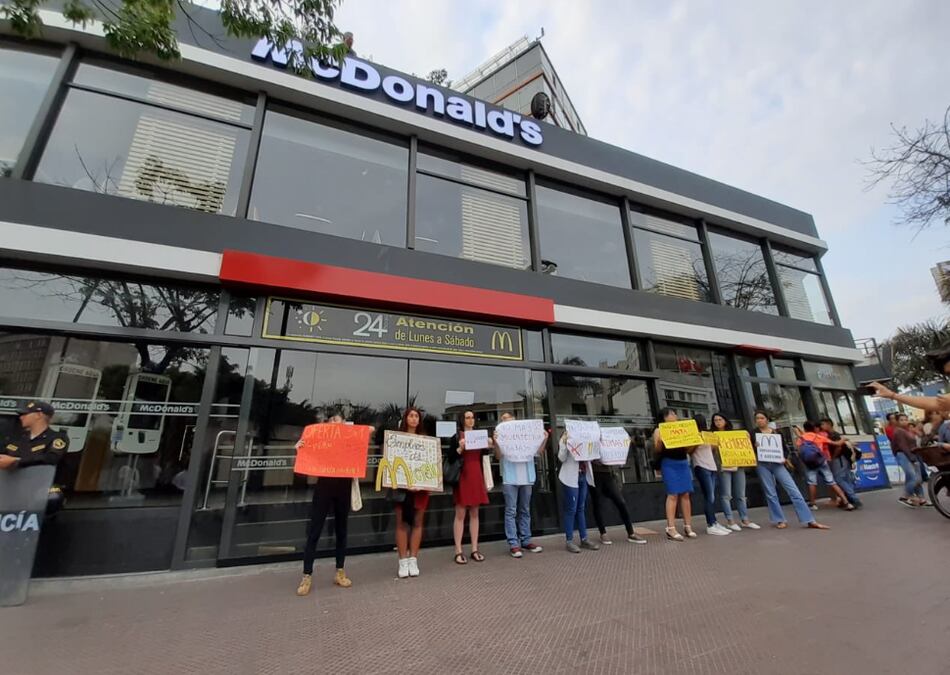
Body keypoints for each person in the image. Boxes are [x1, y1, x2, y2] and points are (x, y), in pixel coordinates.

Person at [296, 413, 354, 597]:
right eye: (332, 420)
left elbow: (368, 432)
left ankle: (340, 571)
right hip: (324, 488)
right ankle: (306, 575)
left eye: (339, 420)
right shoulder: (322, 441)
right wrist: (300, 449)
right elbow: (308, 455)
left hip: (343, 488)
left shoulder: (349, 441)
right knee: (314, 531)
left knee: (341, 530)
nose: (336, 423)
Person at [752, 411, 828, 530]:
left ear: (767, 419)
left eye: (762, 418)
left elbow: (785, 449)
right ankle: (779, 519)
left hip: (778, 464)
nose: (759, 420)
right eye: (757, 418)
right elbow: (750, 450)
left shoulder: (777, 433)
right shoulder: (753, 433)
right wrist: (755, 446)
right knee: (770, 493)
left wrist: (784, 458)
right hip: (762, 464)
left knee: (794, 491)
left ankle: (809, 519)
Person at [493, 412, 548, 558]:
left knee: (525, 510)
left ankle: (526, 540)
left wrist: (545, 439)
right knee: (511, 511)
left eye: (510, 421)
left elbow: (539, 451)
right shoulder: (500, 437)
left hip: (526, 478)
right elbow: (498, 456)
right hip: (510, 479)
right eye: (505, 421)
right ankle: (513, 543)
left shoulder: (524, 436)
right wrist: (496, 442)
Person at [391, 407, 430, 578]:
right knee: (401, 523)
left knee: (417, 522)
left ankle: (413, 559)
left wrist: (424, 482)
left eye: (416, 416)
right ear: (405, 418)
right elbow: (391, 463)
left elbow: (430, 464)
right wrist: (403, 483)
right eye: (411, 416)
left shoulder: (426, 441)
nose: (414, 419)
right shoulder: (396, 439)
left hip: (420, 488)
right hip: (402, 488)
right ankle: (403, 560)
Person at [448, 410, 490, 564]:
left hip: (476, 475)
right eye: (467, 418)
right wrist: (459, 449)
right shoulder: (457, 437)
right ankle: (458, 550)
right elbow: (450, 458)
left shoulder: (479, 436)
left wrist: (491, 443)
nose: (470, 420)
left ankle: (474, 548)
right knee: (460, 513)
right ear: (462, 420)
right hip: (463, 476)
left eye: (472, 417)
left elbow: (485, 454)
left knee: (475, 513)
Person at [652, 408, 696, 541]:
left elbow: (688, 450)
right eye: (671, 413)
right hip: (669, 463)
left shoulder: (682, 428)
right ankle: (671, 527)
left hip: (682, 462)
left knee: (686, 494)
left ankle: (688, 526)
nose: (675, 415)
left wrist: (694, 442)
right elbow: (657, 449)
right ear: (664, 417)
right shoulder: (659, 430)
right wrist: (660, 441)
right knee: (673, 494)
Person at [711, 412, 759, 531]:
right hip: (724, 466)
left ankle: (745, 519)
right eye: (715, 420)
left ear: (725, 421)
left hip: (738, 465)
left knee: (741, 494)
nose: (718, 422)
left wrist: (748, 440)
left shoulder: (735, 434)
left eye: (720, 419)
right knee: (726, 495)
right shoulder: (713, 435)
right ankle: (730, 520)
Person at [793, 421, 854, 512]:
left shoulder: (802, 438)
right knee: (831, 482)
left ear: (805, 428)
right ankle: (846, 502)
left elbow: (798, 449)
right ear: (814, 429)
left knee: (812, 483)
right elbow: (837, 444)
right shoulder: (819, 437)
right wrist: (844, 439)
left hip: (809, 463)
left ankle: (813, 504)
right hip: (821, 461)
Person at [589, 455, 647, 545]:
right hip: (594, 473)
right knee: (597, 503)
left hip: (607, 473)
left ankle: (631, 533)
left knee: (621, 502)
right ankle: (603, 533)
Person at [557, 429, 600, 553]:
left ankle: (584, 538)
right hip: (571, 477)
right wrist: (564, 443)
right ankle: (569, 541)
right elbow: (561, 458)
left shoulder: (585, 441)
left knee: (580, 508)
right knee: (571, 509)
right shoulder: (565, 439)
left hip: (582, 475)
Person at [690, 414, 731, 536]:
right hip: (701, 466)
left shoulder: (708, 434)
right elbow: (690, 451)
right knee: (709, 496)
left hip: (711, 466)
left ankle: (714, 522)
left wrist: (713, 442)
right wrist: (697, 441)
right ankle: (710, 524)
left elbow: (713, 449)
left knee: (712, 496)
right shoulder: (693, 436)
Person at [0, 400, 69, 471]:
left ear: (38, 415)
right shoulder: (18, 437)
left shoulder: (56, 437)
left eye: (25, 414)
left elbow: (51, 458)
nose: (21, 417)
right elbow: (4, 452)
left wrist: (17, 461)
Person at [819, 417, 862, 509]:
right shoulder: (834, 434)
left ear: (829, 424)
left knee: (839, 479)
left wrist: (833, 457)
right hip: (844, 459)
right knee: (846, 479)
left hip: (839, 459)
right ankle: (849, 499)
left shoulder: (833, 435)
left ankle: (854, 499)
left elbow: (838, 448)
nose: (821, 426)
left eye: (823, 424)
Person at [891, 413, 926, 507]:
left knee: (918, 478)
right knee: (913, 477)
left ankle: (921, 498)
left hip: (912, 454)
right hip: (904, 454)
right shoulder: (898, 431)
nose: (904, 422)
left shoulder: (907, 431)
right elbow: (903, 446)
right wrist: (911, 458)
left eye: (906, 419)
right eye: (901, 420)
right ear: (897, 421)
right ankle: (906, 496)